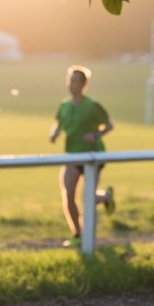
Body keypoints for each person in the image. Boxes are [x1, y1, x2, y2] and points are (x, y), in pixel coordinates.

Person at [50, 66, 115, 248]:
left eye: (74, 81)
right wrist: (54, 133)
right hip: (72, 156)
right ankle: (78, 234)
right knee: (69, 195)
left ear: (83, 84)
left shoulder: (92, 105)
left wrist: (95, 135)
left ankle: (105, 197)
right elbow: (58, 124)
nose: (70, 84)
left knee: (88, 196)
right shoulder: (64, 105)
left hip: (93, 156)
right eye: (69, 80)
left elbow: (109, 125)